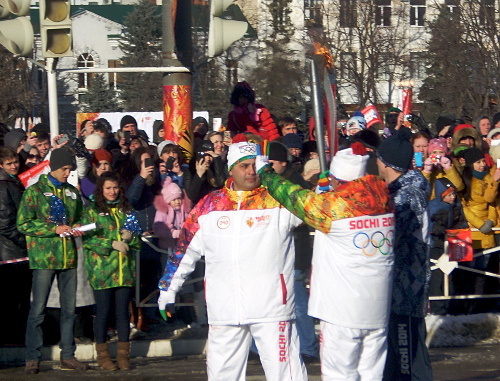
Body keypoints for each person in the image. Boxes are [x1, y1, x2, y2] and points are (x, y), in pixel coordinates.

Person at [158, 139, 308, 381]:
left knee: (285, 374)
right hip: (224, 308)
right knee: (221, 375)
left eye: (255, 165)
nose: (251, 171)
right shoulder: (210, 206)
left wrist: (273, 178)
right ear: (231, 169)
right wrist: (168, 289)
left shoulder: (278, 200)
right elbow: (184, 249)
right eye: (244, 166)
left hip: (271, 308)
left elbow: (311, 207)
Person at [257, 142, 395, 380]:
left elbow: (293, 196)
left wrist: (265, 173)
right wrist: (328, 191)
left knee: (339, 373)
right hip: (377, 309)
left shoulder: (333, 208)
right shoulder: (384, 201)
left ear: (338, 180)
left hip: (342, 310)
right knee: (372, 373)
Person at [17, 148, 88, 374]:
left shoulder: (72, 193)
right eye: (64, 169)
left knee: (69, 309)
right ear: (52, 167)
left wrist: (79, 228)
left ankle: (68, 354)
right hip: (44, 258)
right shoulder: (35, 192)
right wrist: (52, 229)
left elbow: (79, 218)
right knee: (38, 309)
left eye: (70, 169)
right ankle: (33, 356)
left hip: (68, 257)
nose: (67, 173)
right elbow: (24, 223)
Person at [376, 127, 433, 381]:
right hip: (395, 287)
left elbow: (393, 236)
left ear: (386, 163)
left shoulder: (407, 196)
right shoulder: (398, 192)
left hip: (406, 289)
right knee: (394, 362)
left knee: (408, 361)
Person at [81, 171, 141, 370]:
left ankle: (124, 355)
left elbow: (138, 238)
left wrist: (131, 238)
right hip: (102, 272)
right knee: (104, 313)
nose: (112, 192)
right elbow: (87, 239)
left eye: (115, 187)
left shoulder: (127, 209)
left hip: (124, 270)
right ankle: (103, 355)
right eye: (108, 188)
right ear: (101, 189)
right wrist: (111, 243)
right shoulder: (92, 211)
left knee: (123, 313)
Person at [0, 147, 31, 346]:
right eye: (9, 163)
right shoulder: (4, 185)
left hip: (15, 250)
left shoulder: (14, 181)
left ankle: (18, 337)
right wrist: (25, 240)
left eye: (15, 162)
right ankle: (13, 339)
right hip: (10, 252)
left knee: (20, 299)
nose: (14, 166)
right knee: (14, 300)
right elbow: (5, 222)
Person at [427, 178, 468, 315]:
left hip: (454, 243)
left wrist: (458, 228)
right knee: (437, 276)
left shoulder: (457, 205)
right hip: (436, 246)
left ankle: (451, 306)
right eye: (449, 195)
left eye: (454, 194)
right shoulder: (433, 206)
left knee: (452, 275)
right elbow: (426, 222)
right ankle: (437, 308)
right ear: (441, 195)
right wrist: (436, 228)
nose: (453, 197)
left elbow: (462, 221)